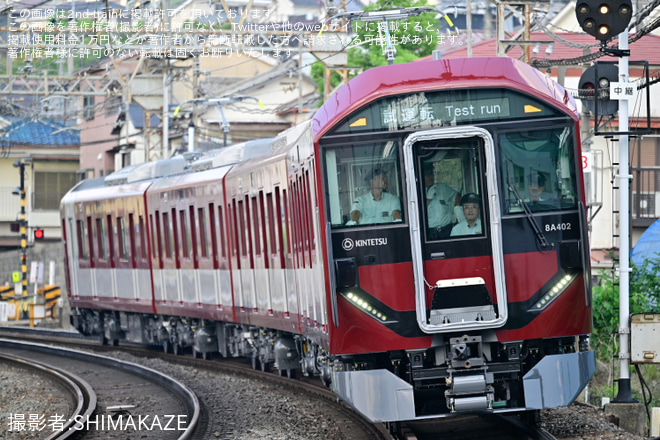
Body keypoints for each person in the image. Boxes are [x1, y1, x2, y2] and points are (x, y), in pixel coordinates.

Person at [423, 163, 461, 237]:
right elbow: (418, 212)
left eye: (432, 173)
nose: (431, 177)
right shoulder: (417, 191)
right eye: (427, 174)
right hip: (430, 232)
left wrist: (457, 206)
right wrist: (428, 198)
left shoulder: (441, 188)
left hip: (447, 229)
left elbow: (458, 196)